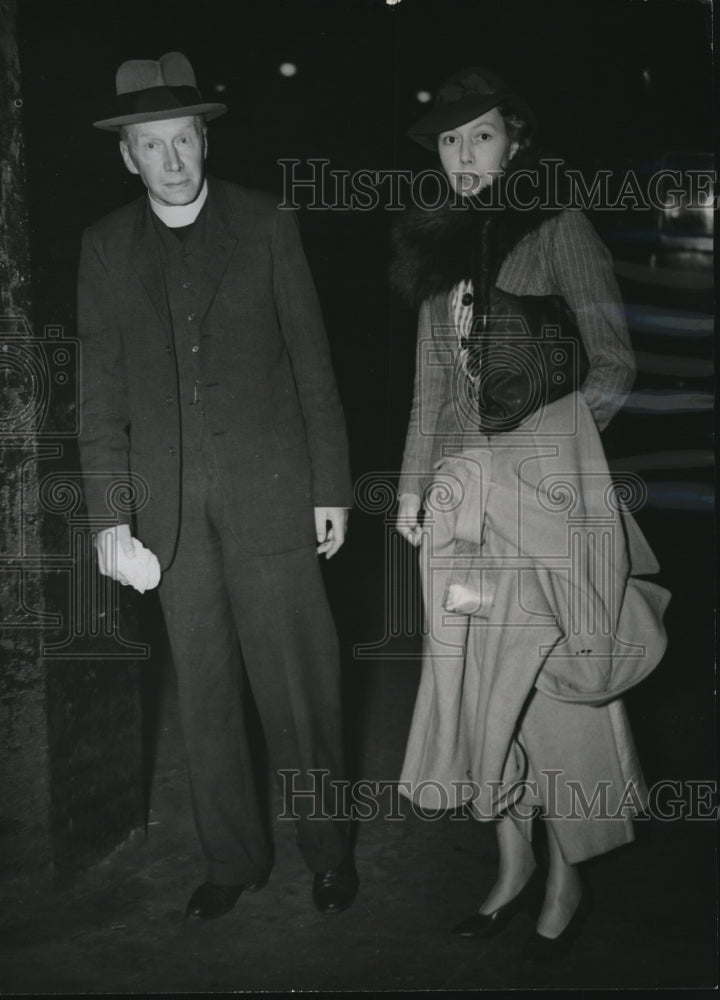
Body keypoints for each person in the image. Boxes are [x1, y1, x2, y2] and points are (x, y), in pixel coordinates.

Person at [392, 67, 669, 961]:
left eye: (478, 134)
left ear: (515, 140)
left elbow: (615, 365)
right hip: (465, 513)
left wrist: (545, 456)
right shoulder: (435, 246)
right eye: (447, 139)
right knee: (478, 688)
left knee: (555, 692)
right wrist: (410, 488)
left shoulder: (558, 228)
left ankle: (569, 863)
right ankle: (509, 861)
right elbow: (431, 391)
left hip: (547, 506)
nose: (462, 153)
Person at [77, 52, 358, 919]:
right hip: (169, 521)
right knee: (201, 695)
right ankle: (232, 861)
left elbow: (315, 364)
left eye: (183, 140)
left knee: (300, 688)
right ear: (128, 157)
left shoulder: (267, 221)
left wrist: (330, 488)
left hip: (274, 496)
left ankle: (330, 851)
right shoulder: (104, 247)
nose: (171, 160)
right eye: (151, 146)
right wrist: (108, 519)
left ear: (205, 140)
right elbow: (101, 394)